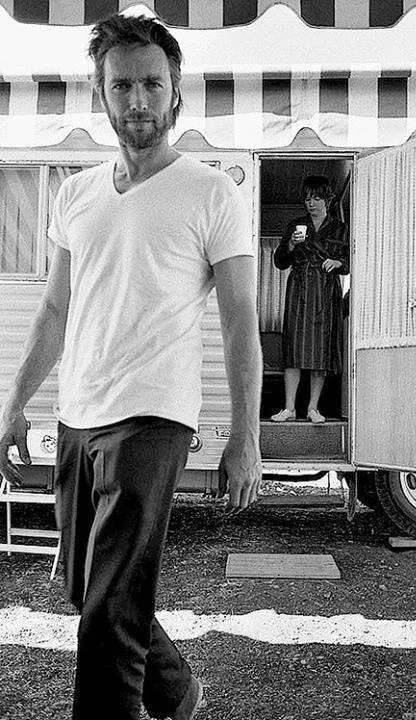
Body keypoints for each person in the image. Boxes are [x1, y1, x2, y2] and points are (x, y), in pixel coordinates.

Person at [0, 13, 262, 720]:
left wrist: (246, 435)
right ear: (102, 94)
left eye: (152, 83)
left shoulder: (212, 193)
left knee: (110, 606)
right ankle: (176, 692)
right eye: (123, 86)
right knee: (88, 587)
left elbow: (241, 322)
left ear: (176, 93)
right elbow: (54, 311)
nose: (138, 100)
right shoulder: (76, 194)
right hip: (79, 413)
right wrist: (13, 405)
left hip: (154, 416)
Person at [271, 175, 349, 424]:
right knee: (293, 349)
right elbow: (280, 262)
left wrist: (338, 263)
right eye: (307, 199)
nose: (311, 203)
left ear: (328, 199)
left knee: (321, 352)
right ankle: (289, 408)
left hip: (326, 292)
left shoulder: (340, 229)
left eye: (316, 198)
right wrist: (292, 247)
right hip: (300, 289)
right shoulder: (296, 226)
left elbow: (349, 263)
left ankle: (313, 408)